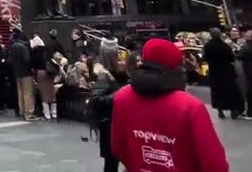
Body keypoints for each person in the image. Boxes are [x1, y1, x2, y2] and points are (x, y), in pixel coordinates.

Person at [111, 38, 229, 172]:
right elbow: (214, 162)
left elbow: (118, 147)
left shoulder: (122, 97)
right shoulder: (189, 106)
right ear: (177, 67)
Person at [89, 39, 129, 172]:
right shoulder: (104, 76)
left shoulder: (119, 72)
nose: (120, 56)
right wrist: (119, 96)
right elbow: (96, 99)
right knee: (111, 162)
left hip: (120, 123)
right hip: (110, 125)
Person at [202, 28, 244, 120]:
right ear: (220, 34)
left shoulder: (207, 46)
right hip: (226, 71)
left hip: (214, 71)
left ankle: (220, 110)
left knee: (217, 91)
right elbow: (231, 58)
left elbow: (204, 58)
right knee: (230, 90)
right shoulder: (225, 46)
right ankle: (233, 109)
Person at [8, 32, 35, 120]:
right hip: (26, 73)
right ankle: (29, 112)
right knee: (28, 93)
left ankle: (22, 111)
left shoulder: (13, 47)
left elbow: (11, 61)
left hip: (17, 73)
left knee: (20, 93)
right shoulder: (23, 47)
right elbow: (27, 60)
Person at [29, 34, 54, 120]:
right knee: (51, 92)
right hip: (50, 73)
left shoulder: (34, 53)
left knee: (43, 94)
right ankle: (54, 113)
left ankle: (47, 114)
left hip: (40, 73)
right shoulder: (48, 50)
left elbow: (32, 65)